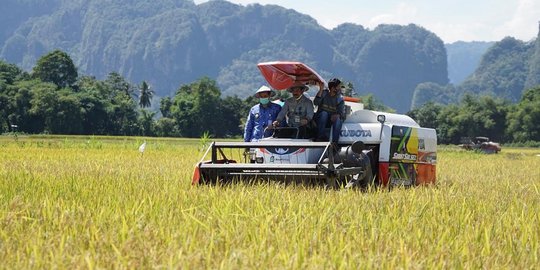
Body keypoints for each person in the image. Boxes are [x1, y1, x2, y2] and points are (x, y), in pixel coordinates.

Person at [313, 78, 345, 143]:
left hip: (331, 120)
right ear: (333, 88)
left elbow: (342, 114)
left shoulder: (340, 98)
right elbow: (316, 103)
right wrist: (321, 90)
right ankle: (320, 137)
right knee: (324, 114)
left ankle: (334, 143)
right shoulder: (324, 93)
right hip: (320, 119)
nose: (340, 88)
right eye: (338, 87)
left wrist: (338, 115)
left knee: (338, 120)